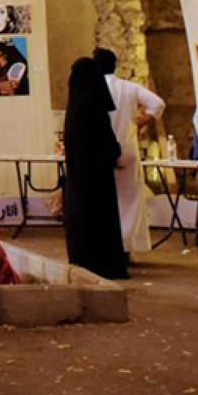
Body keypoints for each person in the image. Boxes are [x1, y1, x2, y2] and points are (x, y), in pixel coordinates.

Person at [94, 48, 166, 254]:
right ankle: (127, 245)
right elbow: (157, 103)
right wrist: (145, 119)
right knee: (129, 199)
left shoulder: (93, 89)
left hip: (101, 152)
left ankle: (107, 245)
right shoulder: (129, 88)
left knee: (104, 200)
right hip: (127, 148)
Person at [63, 57, 128, 280]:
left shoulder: (74, 109)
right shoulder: (95, 109)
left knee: (82, 224)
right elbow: (107, 145)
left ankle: (83, 261)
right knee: (101, 226)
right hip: (99, 181)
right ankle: (105, 264)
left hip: (78, 181)